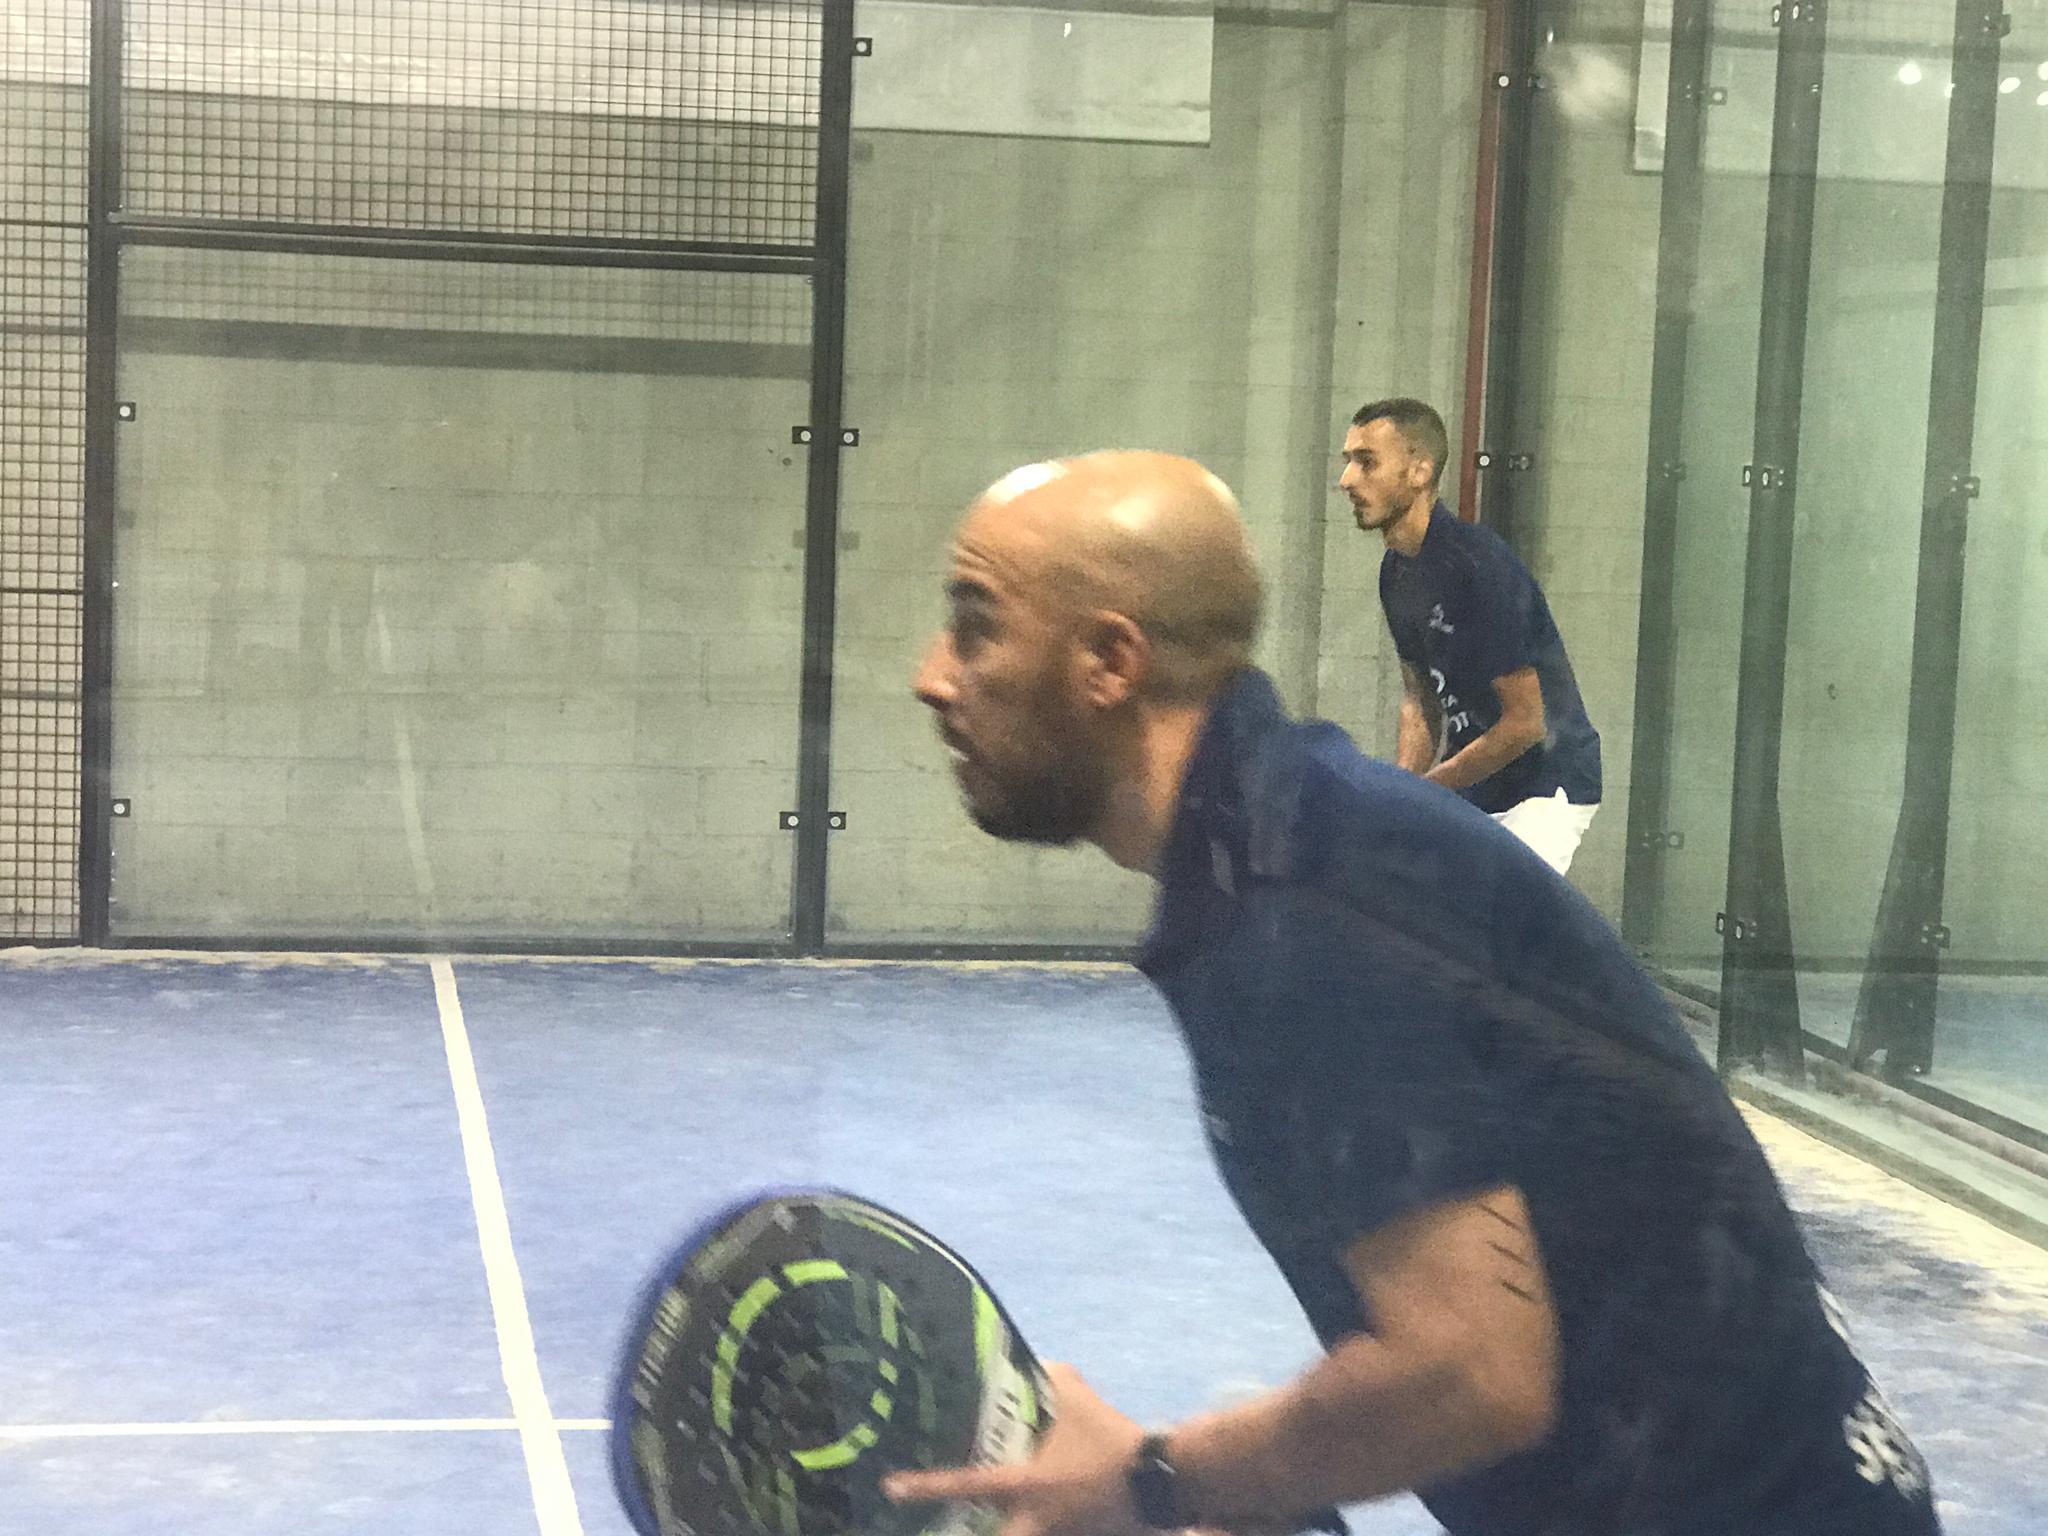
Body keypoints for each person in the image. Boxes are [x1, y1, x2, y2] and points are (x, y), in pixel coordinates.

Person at [889, 451, 1938, 1536]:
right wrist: (1223, 1491)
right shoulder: (1278, 842)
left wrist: (1152, 1481)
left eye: (975, 625)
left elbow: (1469, 1378)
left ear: (1110, 660)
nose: (933, 676)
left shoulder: (1302, 898)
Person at [1341, 398, 1602, 876]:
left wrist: (1429, 791)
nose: (1347, 480)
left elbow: (1526, 723)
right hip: (1481, 789)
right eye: (1348, 462)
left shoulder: (1478, 564)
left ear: (1419, 472)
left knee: (1501, 919)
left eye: (1367, 462)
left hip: (1545, 788)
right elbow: (1421, 701)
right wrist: (1401, 792)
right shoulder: (1395, 573)